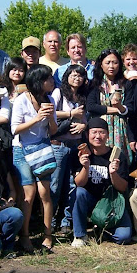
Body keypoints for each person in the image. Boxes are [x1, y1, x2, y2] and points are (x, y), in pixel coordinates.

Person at [10, 64, 58, 252]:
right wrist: (37, 118)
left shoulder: (50, 99)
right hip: (22, 150)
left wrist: (51, 119)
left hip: (41, 150)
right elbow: (15, 129)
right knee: (29, 194)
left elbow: (53, 131)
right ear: (39, 82)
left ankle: (48, 235)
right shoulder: (22, 100)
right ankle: (24, 235)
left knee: (45, 193)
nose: (52, 82)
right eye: (48, 79)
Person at [71, 117, 132, 247]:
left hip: (111, 203)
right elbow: (79, 184)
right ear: (88, 135)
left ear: (108, 135)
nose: (98, 136)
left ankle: (101, 230)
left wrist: (113, 173)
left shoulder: (117, 156)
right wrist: (85, 168)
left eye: (102, 132)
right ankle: (80, 235)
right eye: (94, 132)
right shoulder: (82, 154)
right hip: (90, 200)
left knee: (124, 237)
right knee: (79, 193)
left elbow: (122, 187)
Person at [50, 63, 89, 233]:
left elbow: (86, 117)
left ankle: (66, 219)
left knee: (72, 183)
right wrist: (71, 114)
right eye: (73, 75)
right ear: (67, 76)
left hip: (76, 144)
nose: (77, 78)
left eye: (80, 75)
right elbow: (51, 112)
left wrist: (84, 126)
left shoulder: (83, 96)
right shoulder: (59, 93)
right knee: (55, 183)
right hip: (59, 144)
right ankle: (50, 220)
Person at [86, 49, 134, 164]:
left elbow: (130, 109)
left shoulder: (126, 84)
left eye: (115, 62)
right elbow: (91, 106)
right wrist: (117, 109)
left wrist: (121, 107)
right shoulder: (95, 84)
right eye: (107, 63)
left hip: (121, 130)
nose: (111, 66)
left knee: (119, 161)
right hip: (101, 128)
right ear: (101, 65)